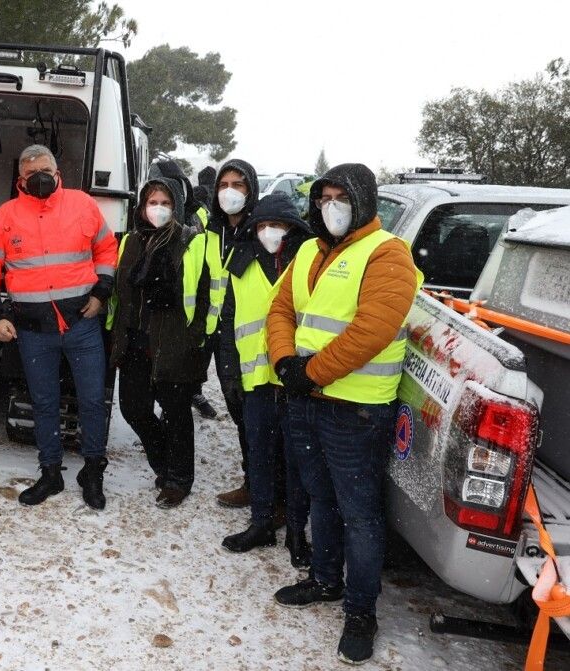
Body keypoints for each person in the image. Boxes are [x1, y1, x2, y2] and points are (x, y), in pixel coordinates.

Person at [267, 163, 420, 665]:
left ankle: (361, 612)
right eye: (323, 197)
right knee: (320, 497)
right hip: (306, 399)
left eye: (342, 197)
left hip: (356, 410)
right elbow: (281, 310)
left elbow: (371, 330)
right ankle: (325, 579)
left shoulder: (387, 253)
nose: (330, 206)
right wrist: (283, 361)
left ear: (364, 201)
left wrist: (308, 373)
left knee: (360, 513)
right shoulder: (309, 248)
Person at [0, 144, 117, 509]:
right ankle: (50, 471)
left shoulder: (82, 204)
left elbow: (106, 249)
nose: (39, 179)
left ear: (57, 173)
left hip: (81, 325)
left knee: (90, 400)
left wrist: (102, 291)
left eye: (45, 172)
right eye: (30, 174)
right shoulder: (4, 216)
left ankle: (92, 470)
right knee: (43, 402)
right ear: (19, 179)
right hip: (33, 330)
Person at [219, 193, 312, 568]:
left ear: (293, 229)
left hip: (296, 379)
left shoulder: (307, 261)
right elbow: (230, 320)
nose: (269, 232)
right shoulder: (240, 260)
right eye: (262, 225)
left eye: (277, 225)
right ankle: (261, 522)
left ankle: (294, 531)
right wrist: (229, 371)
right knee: (258, 453)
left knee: (295, 460)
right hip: (256, 377)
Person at [106, 176, 211, 508]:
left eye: (166, 203)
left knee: (176, 411)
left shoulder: (192, 242)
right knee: (134, 408)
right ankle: (165, 462)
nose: (159, 209)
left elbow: (204, 294)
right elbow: (121, 293)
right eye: (153, 202)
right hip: (136, 341)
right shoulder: (132, 242)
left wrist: (195, 339)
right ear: (141, 207)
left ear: (177, 207)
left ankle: (179, 479)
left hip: (173, 343)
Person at [205, 159, 259, 508]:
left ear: (250, 189)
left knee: (258, 418)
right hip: (222, 336)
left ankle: (268, 489)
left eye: (238, 185)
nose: (230, 192)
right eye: (223, 185)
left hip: (254, 339)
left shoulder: (262, 230)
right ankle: (252, 481)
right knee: (238, 413)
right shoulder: (213, 231)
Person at [149, 158, 217, 420]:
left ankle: (192, 394)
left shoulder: (197, 214)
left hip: (190, 309)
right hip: (163, 307)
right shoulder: (152, 214)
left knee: (186, 365)